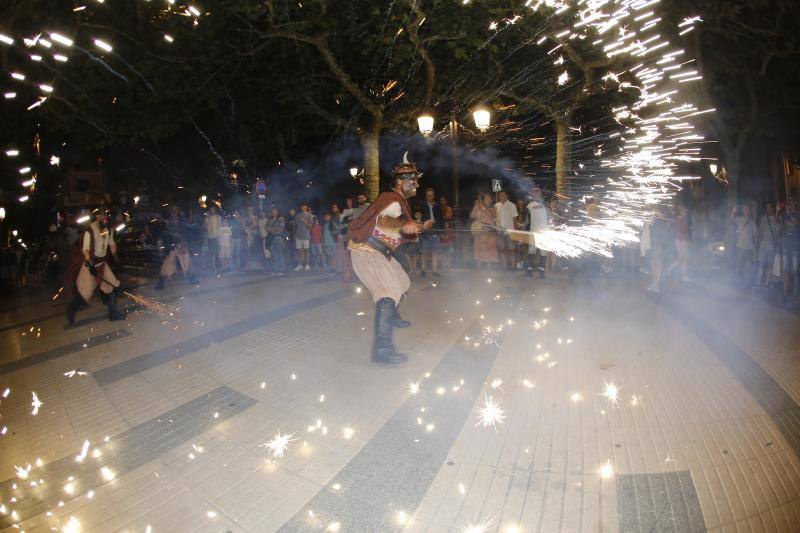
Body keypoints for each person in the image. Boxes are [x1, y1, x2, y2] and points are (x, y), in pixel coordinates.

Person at [348, 153, 431, 364]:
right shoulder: (393, 200)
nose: (417, 185)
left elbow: (399, 228)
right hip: (367, 252)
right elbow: (384, 220)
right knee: (387, 292)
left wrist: (419, 227)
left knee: (402, 281)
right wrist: (404, 226)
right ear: (402, 183)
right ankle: (382, 350)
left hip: (380, 253)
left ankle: (391, 316)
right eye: (414, 181)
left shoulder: (399, 202)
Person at [64, 208, 126, 324]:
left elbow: (112, 246)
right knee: (85, 293)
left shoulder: (109, 230)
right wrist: (91, 265)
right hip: (90, 265)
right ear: (97, 217)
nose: (104, 218)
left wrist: (117, 261)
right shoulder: (90, 231)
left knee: (112, 286)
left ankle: (113, 314)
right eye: (101, 216)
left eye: (105, 216)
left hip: (102, 264)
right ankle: (71, 309)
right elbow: (86, 250)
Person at [646, 205, 672, 295]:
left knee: (658, 263)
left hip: (660, 244)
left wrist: (657, 214)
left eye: (657, 210)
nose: (655, 212)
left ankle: (657, 284)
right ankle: (654, 282)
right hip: (653, 243)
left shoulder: (665, 220)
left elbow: (666, 232)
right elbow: (650, 226)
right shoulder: (655, 219)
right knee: (653, 263)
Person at [418, 187, 444, 277]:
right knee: (424, 252)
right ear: (426, 196)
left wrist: (442, 232)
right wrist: (421, 228)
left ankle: (435, 270)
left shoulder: (437, 206)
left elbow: (441, 219)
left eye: (431, 195)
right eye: (428, 195)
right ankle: (423, 270)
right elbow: (418, 217)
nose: (430, 196)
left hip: (435, 230)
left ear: (433, 195)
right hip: (425, 231)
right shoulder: (422, 205)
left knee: (435, 251)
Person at [525, 187, 550, 278]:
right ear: (532, 194)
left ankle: (542, 272)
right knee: (531, 252)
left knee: (544, 253)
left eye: (538, 192)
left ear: (540, 194)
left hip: (544, 233)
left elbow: (550, 217)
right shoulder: (529, 205)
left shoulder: (545, 205)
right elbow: (526, 219)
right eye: (534, 193)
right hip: (533, 233)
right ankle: (529, 271)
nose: (536, 194)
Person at [470, 193, 498, 270]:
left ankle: (489, 268)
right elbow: (472, 215)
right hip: (480, 231)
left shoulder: (493, 208)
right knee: (479, 249)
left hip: (490, 231)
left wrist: (482, 207)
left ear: (491, 200)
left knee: (490, 249)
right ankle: (478, 268)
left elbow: (494, 216)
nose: (487, 200)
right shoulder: (478, 206)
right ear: (483, 200)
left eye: (489, 199)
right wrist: (477, 207)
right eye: (486, 199)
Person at [780, 200, 800, 303]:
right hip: (786, 247)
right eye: (788, 204)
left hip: (795, 247)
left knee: (795, 272)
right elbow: (781, 226)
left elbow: (797, 223)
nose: (789, 206)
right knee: (786, 271)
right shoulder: (784, 215)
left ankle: (796, 295)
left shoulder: (798, 213)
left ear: (794, 205)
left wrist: (789, 215)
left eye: (791, 204)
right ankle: (785, 292)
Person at [755, 202, 778, 289]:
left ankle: (767, 283)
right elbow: (760, 231)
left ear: (772, 208)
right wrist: (758, 243)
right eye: (766, 207)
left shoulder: (776, 219)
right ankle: (758, 282)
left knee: (769, 264)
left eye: (769, 207)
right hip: (763, 244)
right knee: (761, 263)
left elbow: (778, 232)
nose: (768, 209)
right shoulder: (763, 218)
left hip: (771, 245)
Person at [495, 191, 518, 270]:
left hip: (510, 231)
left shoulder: (512, 205)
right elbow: (495, 218)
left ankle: (512, 266)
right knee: (501, 250)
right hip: (499, 231)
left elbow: (515, 220)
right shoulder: (496, 205)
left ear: (507, 196)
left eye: (503, 195)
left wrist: (516, 232)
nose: (501, 196)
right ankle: (503, 266)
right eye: (500, 195)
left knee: (512, 249)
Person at [668, 205, 691, 282]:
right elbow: (679, 232)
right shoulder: (679, 220)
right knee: (681, 258)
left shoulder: (684, 219)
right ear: (682, 212)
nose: (686, 213)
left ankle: (684, 275)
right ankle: (669, 269)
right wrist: (683, 241)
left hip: (684, 240)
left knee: (685, 259)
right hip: (680, 241)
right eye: (685, 212)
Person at [735, 204, 756, 285]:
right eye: (745, 209)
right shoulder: (739, 219)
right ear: (743, 211)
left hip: (749, 247)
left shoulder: (752, 222)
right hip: (740, 245)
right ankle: (737, 281)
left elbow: (755, 234)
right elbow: (731, 220)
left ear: (749, 211)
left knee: (748, 266)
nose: (746, 210)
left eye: (747, 209)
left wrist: (755, 246)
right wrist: (733, 211)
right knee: (739, 264)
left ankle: (747, 282)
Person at [266, 206, 287, 274]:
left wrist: (271, 229)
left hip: (279, 238)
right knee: (274, 255)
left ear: (277, 212)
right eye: (272, 211)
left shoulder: (281, 219)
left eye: (275, 211)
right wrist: (274, 229)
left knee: (280, 255)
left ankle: (281, 270)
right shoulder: (270, 219)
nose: (273, 212)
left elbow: (280, 229)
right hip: (272, 239)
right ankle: (276, 269)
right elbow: (266, 227)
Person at [294, 204, 313, 271]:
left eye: (304, 206)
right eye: (301, 206)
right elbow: (295, 225)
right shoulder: (298, 215)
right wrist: (294, 235)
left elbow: (310, 227)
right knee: (299, 251)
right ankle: (300, 265)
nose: (303, 207)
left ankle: (307, 265)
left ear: (306, 207)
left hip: (306, 236)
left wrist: (304, 221)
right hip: (298, 235)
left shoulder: (309, 215)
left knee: (306, 251)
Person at [439, 195, 455, 271]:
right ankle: (443, 266)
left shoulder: (448, 208)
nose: (442, 202)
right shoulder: (439, 208)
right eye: (441, 200)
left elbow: (448, 217)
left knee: (449, 250)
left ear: (446, 201)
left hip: (448, 231)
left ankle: (448, 266)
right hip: (441, 231)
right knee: (442, 251)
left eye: (443, 200)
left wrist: (442, 217)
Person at [204, 206, 221, 273]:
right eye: (211, 210)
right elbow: (205, 227)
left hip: (217, 237)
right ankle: (213, 268)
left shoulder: (218, 217)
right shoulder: (207, 218)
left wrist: (219, 237)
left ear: (215, 210)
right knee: (212, 253)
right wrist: (207, 218)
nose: (212, 211)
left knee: (217, 252)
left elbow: (219, 227)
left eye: (213, 209)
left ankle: (218, 267)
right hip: (210, 237)